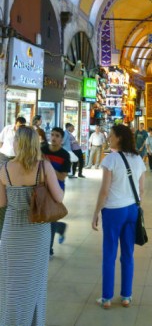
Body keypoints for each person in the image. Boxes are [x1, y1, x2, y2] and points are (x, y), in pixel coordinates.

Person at [0, 126, 63, 325]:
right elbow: (59, 197)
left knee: (10, 279)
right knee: (35, 280)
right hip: (37, 229)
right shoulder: (44, 167)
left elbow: (2, 203)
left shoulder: (4, 169)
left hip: (12, 229)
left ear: (18, 143)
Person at [92, 124, 146, 309]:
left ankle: (107, 298)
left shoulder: (111, 160)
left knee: (109, 253)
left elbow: (104, 191)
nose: (108, 138)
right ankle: (126, 296)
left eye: (111, 135)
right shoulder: (138, 159)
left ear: (119, 138)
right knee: (128, 254)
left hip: (114, 211)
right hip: (132, 210)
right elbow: (142, 189)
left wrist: (96, 212)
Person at [41, 127, 71, 257]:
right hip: (41, 188)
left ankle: (49, 248)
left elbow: (62, 176)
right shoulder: (43, 150)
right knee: (42, 217)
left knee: (51, 218)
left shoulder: (64, 155)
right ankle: (60, 227)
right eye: (52, 135)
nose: (53, 138)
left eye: (57, 136)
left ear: (62, 139)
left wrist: (48, 166)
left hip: (56, 189)